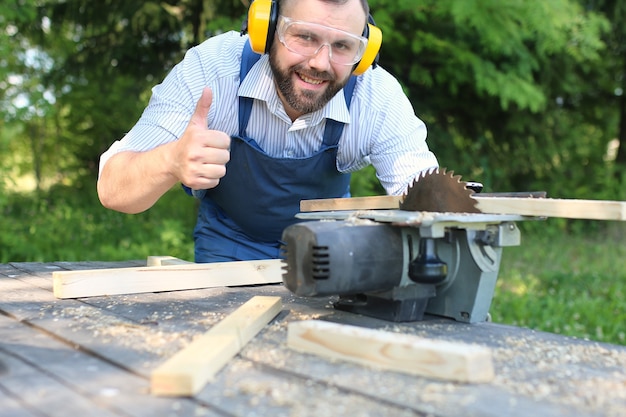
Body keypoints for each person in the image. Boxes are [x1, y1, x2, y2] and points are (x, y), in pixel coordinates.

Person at [97, 0, 439, 263]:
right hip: (228, 246)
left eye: (342, 46)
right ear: (267, 28)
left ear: (364, 53)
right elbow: (113, 189)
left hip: (327, 252)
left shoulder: (375, 96)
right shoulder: (213, 70)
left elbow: (430, 198)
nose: (320, 62)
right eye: (305, 37)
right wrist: (171, 160)